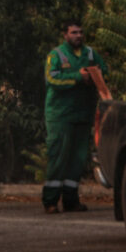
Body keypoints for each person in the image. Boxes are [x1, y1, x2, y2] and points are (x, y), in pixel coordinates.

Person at [42, 21, 107, 214]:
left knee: (78, 160)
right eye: (74, 32)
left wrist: (95, 74)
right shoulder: (56, 55)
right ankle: (50, 201)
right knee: (58, 158)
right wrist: (78, 77)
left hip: (83, 114)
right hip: (61, 115)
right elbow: (52, 79)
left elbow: (104, 70)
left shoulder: (90, 53)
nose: (78, 36)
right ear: (65, 35)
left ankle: (71, 201)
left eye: (80, 32)